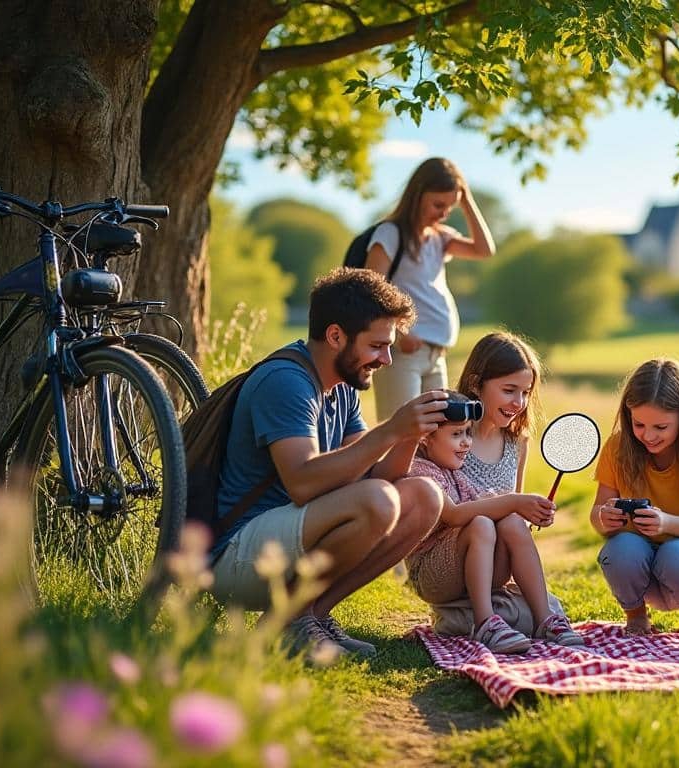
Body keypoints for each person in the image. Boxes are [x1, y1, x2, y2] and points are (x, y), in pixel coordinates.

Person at [209, 267, 449, 660]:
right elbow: (302, 481)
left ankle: (310, 615)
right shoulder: (286, 380)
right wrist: (390, 430)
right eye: (377, 346)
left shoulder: (341, 387)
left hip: (290, 537)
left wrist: (410, 435)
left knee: (424, 495)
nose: (387, 359)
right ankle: (288, 622)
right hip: (238, 554)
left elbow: (374, 477)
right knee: (377, 501)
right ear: (336, 336)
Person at [405, 393, 584, 653]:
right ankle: (485, 622)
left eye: (468, 433)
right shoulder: (420, 470)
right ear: (425, 437)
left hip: (470, 570)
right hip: (431, 576)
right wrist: (512, 501)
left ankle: (545, 618)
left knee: (511, 521)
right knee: (481, 524)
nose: (466, 443)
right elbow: (454, 515)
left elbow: (490, 507)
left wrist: (525, 511)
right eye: (457, 435)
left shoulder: (456, 472)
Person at [588, 358, 679, 635]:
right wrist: (603, 517)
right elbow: (596, 515)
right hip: (641, 568)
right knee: (619, 550)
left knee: (675, 554)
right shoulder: (618, 448)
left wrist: (666, 523)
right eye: (639, 424)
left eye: (661, 427)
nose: (648, 436)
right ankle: (636, 617)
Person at [365, 157, 496, 422]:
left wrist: (467, 199)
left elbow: (484, 250)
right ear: (417, 196)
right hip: (404, 353)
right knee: (401, 433)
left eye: (449, 207)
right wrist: (400, 334)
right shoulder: (391, 234)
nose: (443, 213)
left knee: (436, 434)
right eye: (438, 205)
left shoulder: (440, 238)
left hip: (437, 354)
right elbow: (369, 288)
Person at [454, 331, 543, 495]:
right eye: (509, 390)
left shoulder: (518, 442)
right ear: (475, 384)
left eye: (525, 393)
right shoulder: (446, 436)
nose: (519, 403)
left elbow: (516, 508)